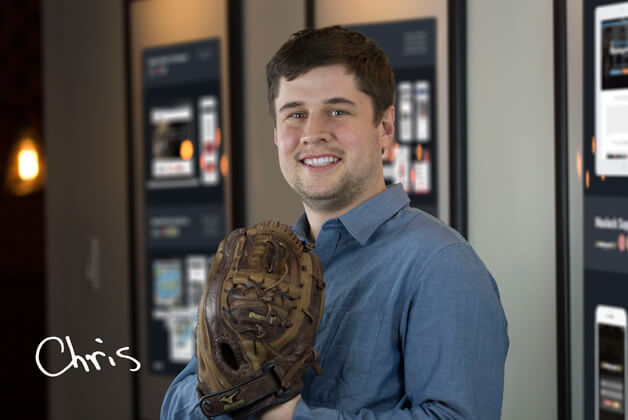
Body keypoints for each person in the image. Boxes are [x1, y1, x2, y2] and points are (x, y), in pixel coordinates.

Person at [161, 25, 509, 420]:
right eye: (295, 114)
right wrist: (227, 392)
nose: (313, 133)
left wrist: (281, 414)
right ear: (276, 134)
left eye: (337, 111)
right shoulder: (256, 266)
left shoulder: (442, 266)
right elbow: (178, 403)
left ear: (385, 127)